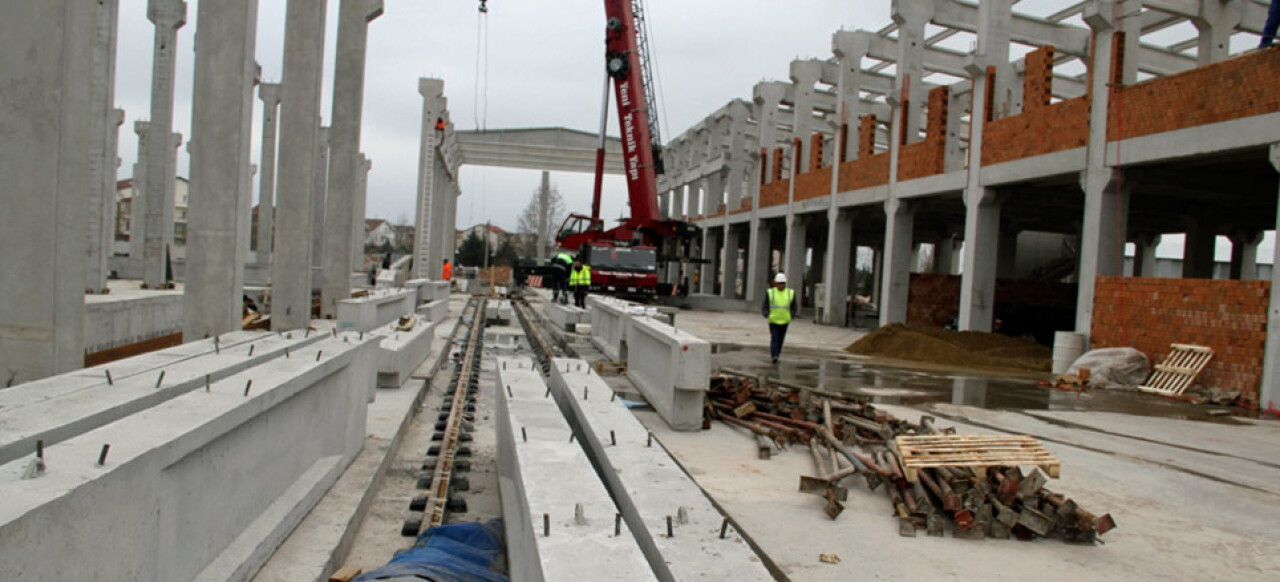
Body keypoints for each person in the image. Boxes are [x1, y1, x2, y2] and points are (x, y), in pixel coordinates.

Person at [761, 272, 798, 365]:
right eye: (779, 283)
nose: (781, 285)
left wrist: (792, 315)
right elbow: (765, 305)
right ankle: (774, 355)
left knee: (781, 339)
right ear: (776, 283)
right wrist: (766, 314)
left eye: (783, 283)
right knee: (775, 338)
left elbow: (794, 305)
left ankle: (777, 354)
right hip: (773, 320)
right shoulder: (771, 292)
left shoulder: (790, 293)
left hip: (785, 320)